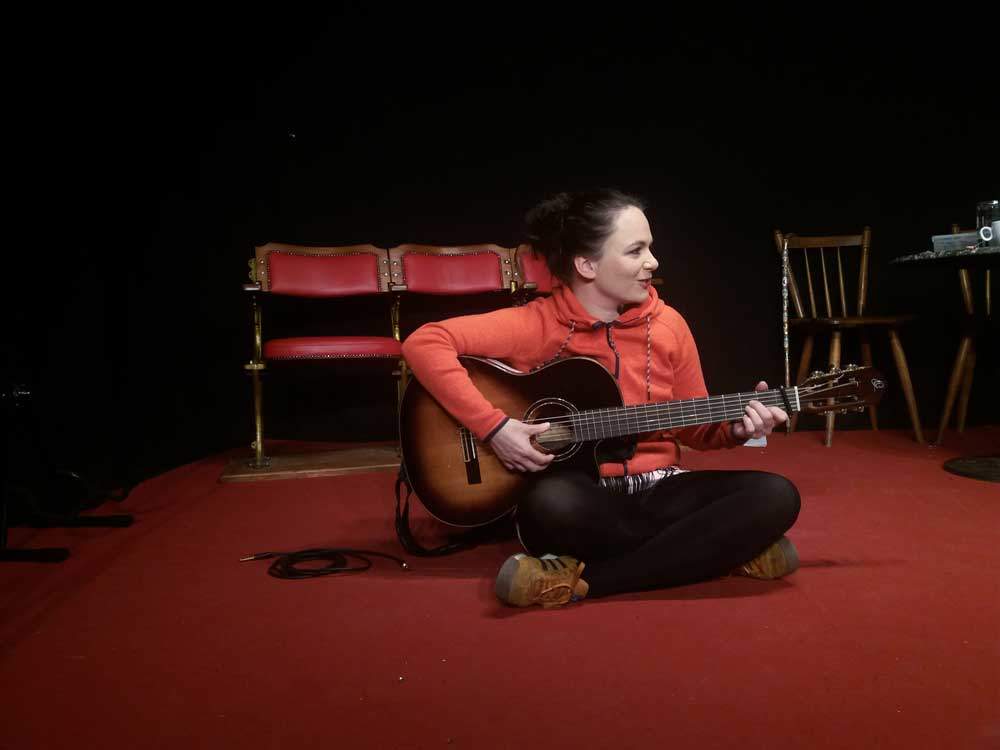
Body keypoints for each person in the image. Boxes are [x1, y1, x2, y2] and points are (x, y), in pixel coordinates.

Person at [400, 189, 800, 608]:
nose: (653, 262)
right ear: (587, 265)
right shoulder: (537, 323)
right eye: (635, 251)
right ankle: (713, 552)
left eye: (651, 247)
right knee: (552, 505)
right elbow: (425, 342)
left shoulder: (669, 326)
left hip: (659, 489)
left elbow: (697, 430)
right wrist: (496, 428)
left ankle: (589, 581)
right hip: (584, 497)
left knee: (777, 495)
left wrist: (736, 430)